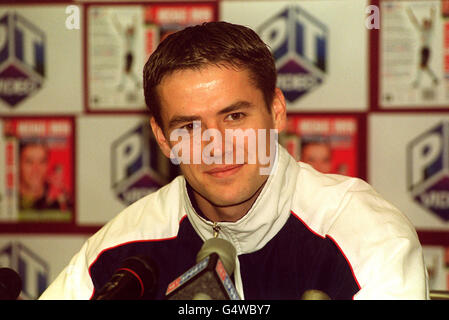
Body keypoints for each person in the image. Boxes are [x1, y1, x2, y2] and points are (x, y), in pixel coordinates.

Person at [39, 22, 428, 300]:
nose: (216, 145)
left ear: (276, 112)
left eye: (234, 117)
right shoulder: (121, 253)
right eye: (189, 127)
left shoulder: (365, 237)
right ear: (162, 138)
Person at [407, 6, 439, 87]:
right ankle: (434, 79)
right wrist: (410, 13)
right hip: (422, 50)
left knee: (422, 66)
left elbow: (433, 20)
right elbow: (414, 22)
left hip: (426, 50)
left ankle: (419, 81)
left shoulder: (430, 30)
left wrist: (433, 12)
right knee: (423, 66)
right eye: (424, 23)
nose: (426, 24)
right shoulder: (421, 30)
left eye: (427, 23)